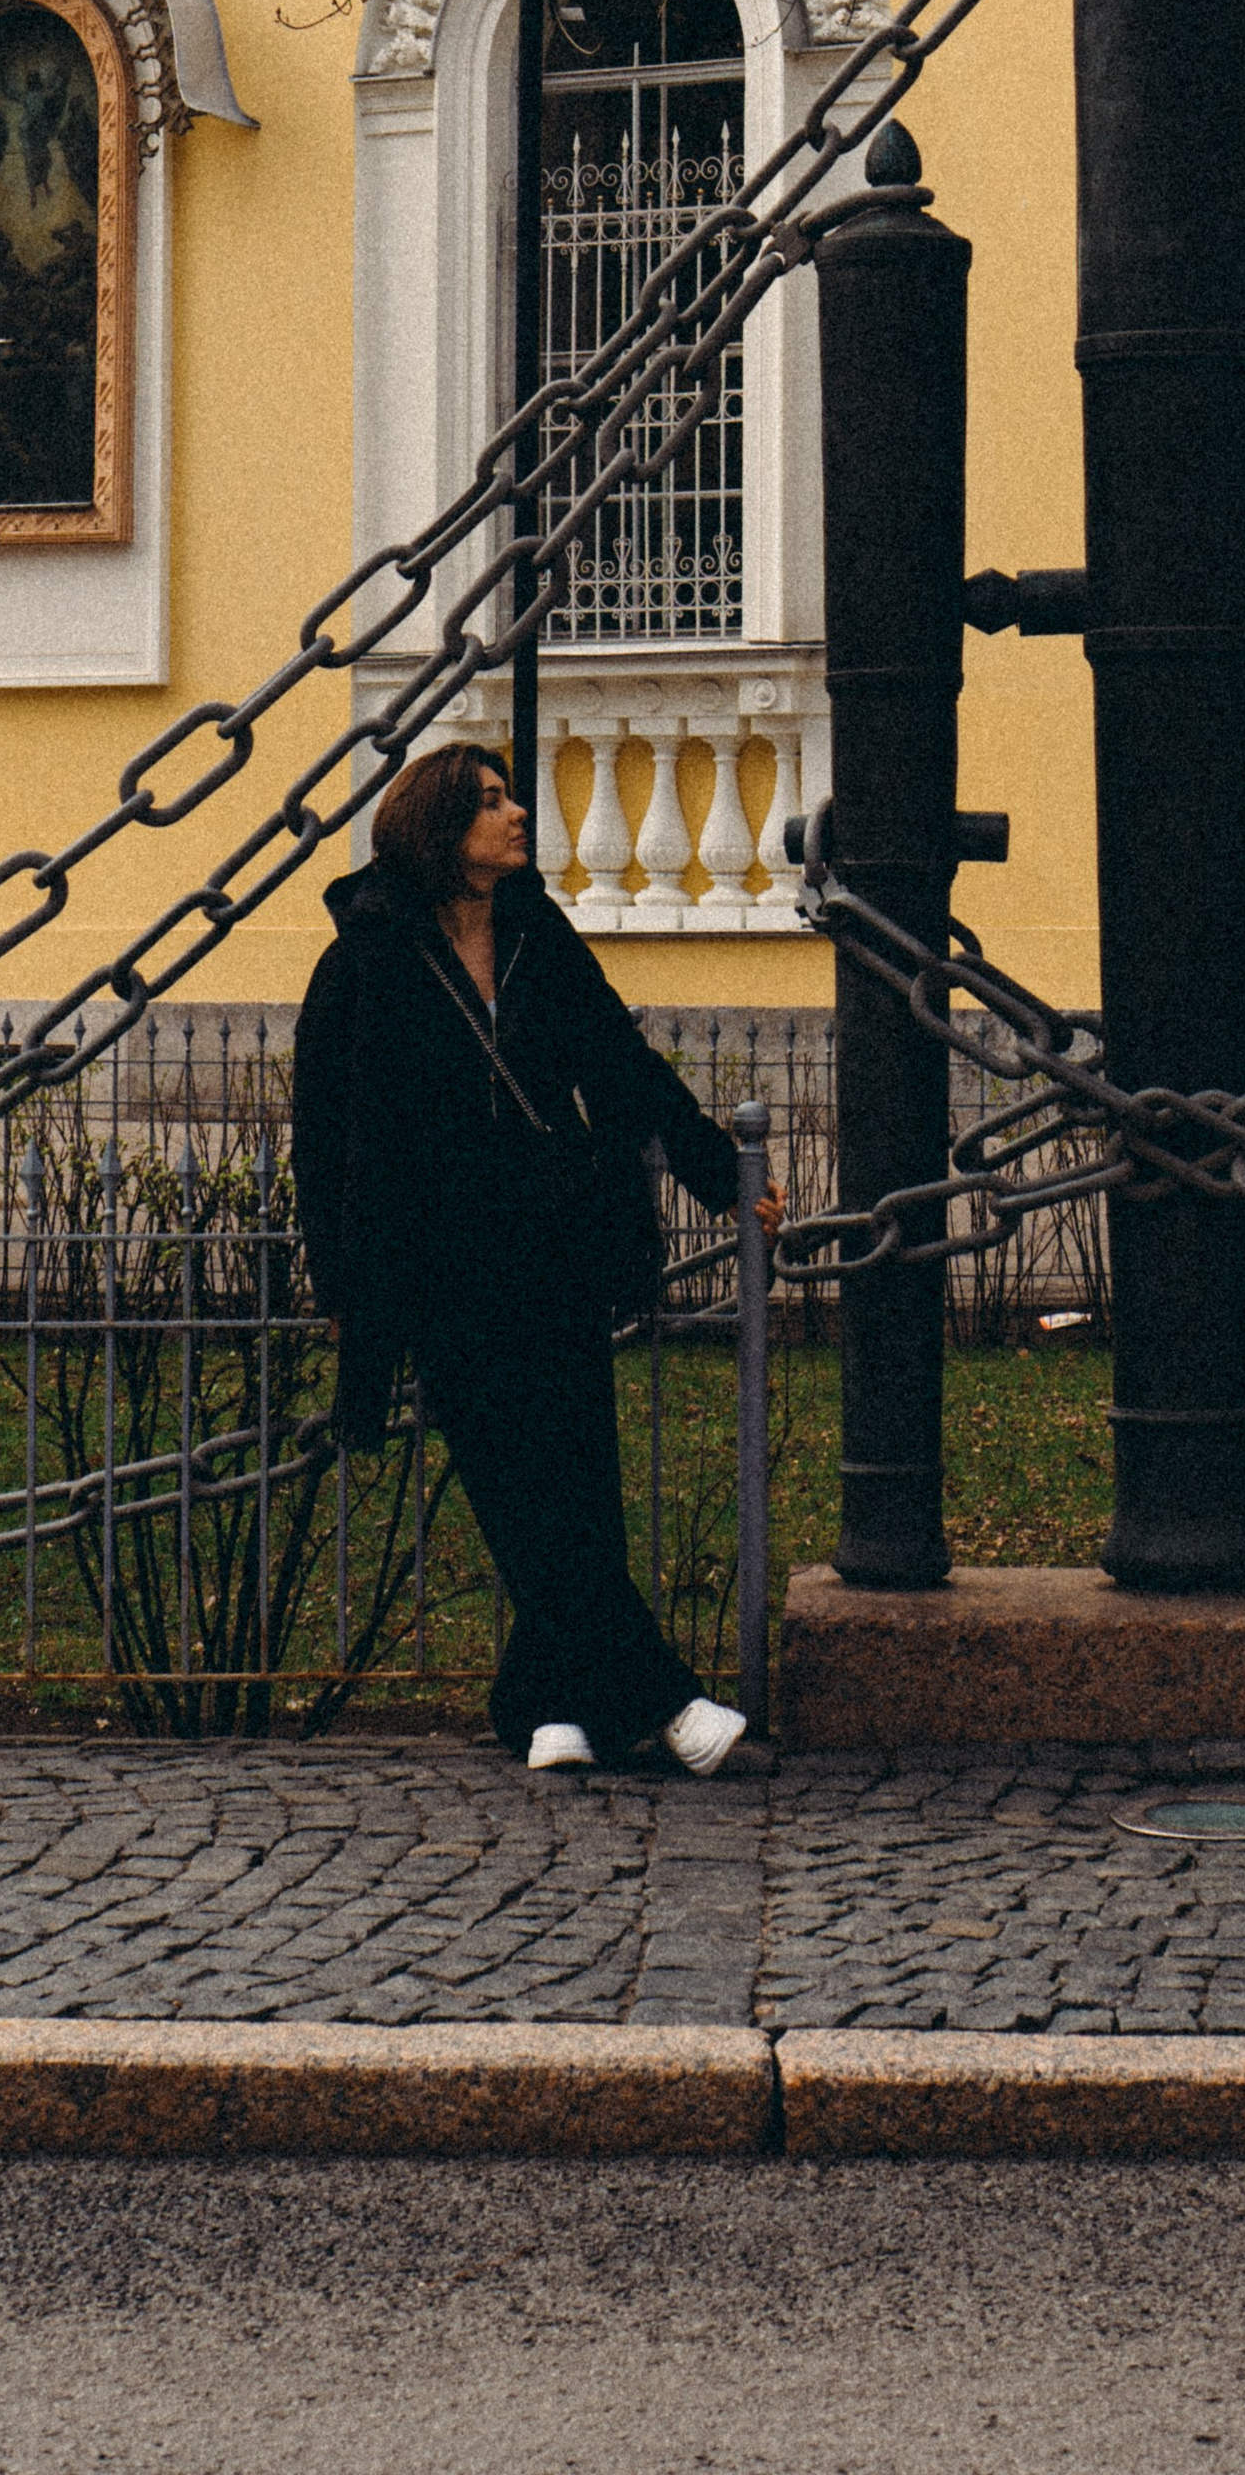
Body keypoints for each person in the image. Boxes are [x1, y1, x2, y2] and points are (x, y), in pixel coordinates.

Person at [292, 742, 777, 1774]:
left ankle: (542, 1705)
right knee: (517, 1488)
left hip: (554, 1250)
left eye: (511, 798)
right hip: (438, 1268)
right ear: (438, 828)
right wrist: (342, 1286)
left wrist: (715, 1172)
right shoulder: (368, 958)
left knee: (578, 1484)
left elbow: (621, 1062)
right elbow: (320, 1137)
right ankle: (672, 1707)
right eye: (490, 802)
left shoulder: (533, 936)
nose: (517, 815)